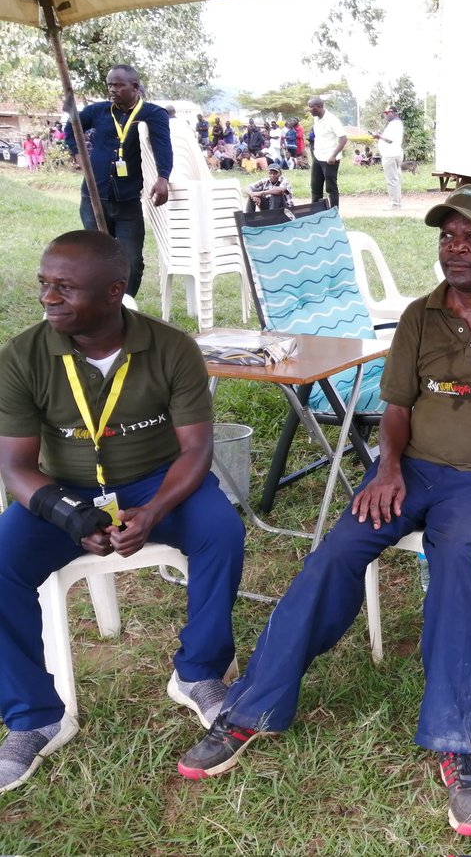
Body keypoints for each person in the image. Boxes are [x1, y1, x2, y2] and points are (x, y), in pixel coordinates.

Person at [175, 186, 471, 837]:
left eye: (470, 237)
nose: (455, 247)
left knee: (456, 559)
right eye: (446, 236)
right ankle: (250, 710)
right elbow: (395, 408)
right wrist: (388, 467)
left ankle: (462, 746)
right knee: (337, 553)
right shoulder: (422, 316)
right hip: (410, 470)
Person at [0, 230, 245, 793]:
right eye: (44, 284)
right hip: (62, 486)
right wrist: (67, 516)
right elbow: (15, 467)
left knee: (220, 531)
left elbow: (196, 451)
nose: (47, 298)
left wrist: (155, 511)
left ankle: (200, 674)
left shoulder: (170, 347)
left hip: (160, 479)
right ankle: (34, 718)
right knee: (3, 560)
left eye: (64, 287)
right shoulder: (23, 355)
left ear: (114, 291)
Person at [64, 64, 172, 298]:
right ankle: (99, 302)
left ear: (135, 87)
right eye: (110, 84)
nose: (112, 89)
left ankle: (125, 304)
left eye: (118, 85)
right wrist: (76, 151)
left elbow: (163, 146)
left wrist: (164, 177)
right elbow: (71, 125)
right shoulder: (99, 111)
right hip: (93, 197)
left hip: (128, 200)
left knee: (131, 258)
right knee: (96, 255)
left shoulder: (152, 114)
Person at [307, 97, 347, 207]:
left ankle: (334, 213)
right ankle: (315, 213)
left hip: (330, 159)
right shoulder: (316, 118)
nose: (309, 110)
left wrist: (333, 155)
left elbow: (343, 139)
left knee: (331, 188)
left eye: (311, 107)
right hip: (318, 156)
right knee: (315, 187)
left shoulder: (332, 120)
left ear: (319, 107)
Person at [374, 105, 405, 209]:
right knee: (396, 179)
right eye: (385, 113)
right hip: (395, 153)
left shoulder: (394, 124)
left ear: (395, 113)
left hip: (390, 155)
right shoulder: (396, 123)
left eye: (388, 112)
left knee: (392, 180)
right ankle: (397, 202)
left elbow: (389, 140)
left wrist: (378, 136)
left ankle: (394, 204)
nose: (386, 114)